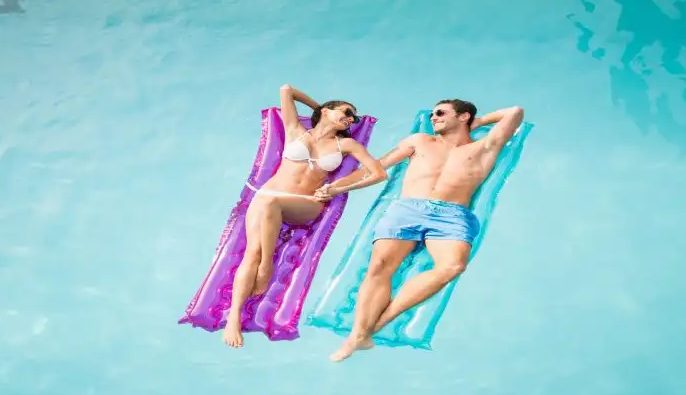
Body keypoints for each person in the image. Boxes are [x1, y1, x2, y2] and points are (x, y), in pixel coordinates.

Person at [316, 99, 525, 362]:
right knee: (379, 266)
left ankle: (374, 327)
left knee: (452, 267)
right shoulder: (420, 141)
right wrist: (336, 187)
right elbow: (377, 166)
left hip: (452, 215)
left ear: (463, 117)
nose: (433, 117)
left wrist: (479, 122)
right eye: (432, 113)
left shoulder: (484, 146)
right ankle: (357, 335)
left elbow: (515, 112)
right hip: (408, 209)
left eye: (440, 113)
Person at [222, 84, 387, 348]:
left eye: (354, 118)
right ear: (327, 110)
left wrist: (337, 187)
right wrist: (318, 109)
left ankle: (267, 266)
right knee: (250, 251)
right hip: (268, 199)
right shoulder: (295, 130)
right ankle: (233, 318)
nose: (351, 119)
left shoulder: (346, 143)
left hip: (306, 204)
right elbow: (287, 90)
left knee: (269, 202)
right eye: (347, 112)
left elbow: (378, 173)